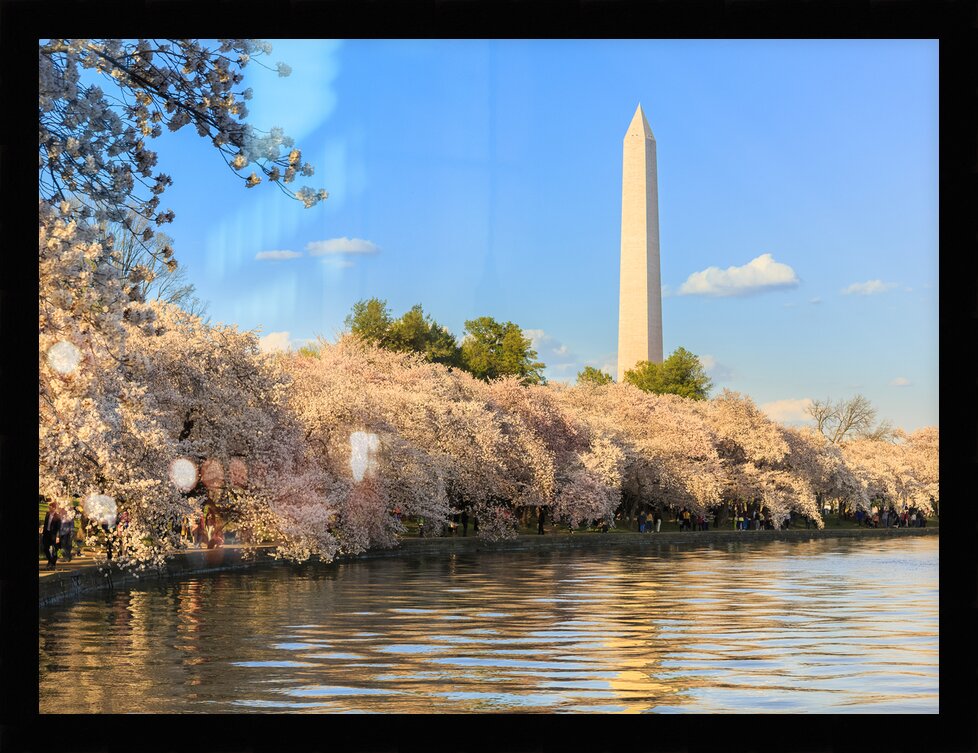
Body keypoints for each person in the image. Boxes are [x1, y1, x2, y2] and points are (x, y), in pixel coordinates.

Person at [41, 502, 62, 570]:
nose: (48, 508)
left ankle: (53, 563)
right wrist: (42, 530)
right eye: (48, 507)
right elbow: (46, 523)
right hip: (46, 533)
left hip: (54, 535)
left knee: (55, 549)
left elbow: (59, 528)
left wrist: (58, 537)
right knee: (45, 548)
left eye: (50, 507)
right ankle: (50, 561)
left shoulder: (58, 516)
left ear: (54, 508)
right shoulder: (47, 514)